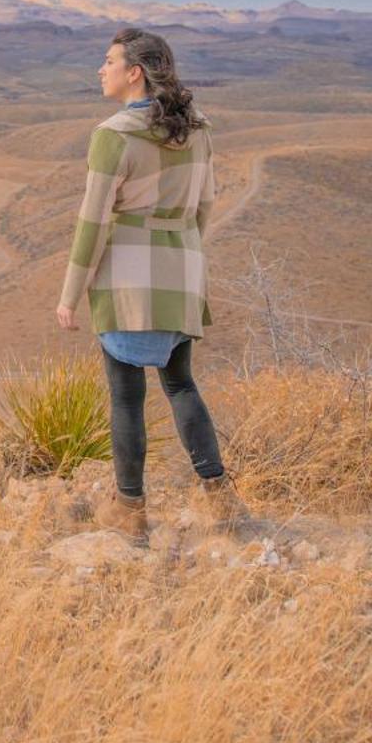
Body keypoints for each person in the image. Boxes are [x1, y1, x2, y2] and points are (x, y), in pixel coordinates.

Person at [54, 27, 248, 546]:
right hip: (183, 267)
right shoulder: (197, 127)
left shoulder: (113, 135)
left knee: (126, 395)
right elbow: (205, 203)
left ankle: (130, 511)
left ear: (134, 72)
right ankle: (221, 497)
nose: (101, 70)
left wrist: (70, 294)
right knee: (181, 384)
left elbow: (92, 222)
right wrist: (183, 256)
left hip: (128, 277)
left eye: (109, 61)